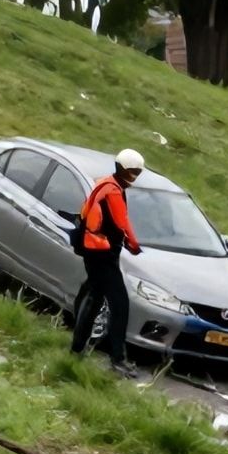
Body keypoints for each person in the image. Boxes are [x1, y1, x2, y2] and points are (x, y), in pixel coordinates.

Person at [69, 149, 145, 378]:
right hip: (102, 254)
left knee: (94, 298)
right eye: (133, 172)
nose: (134, 177)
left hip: (93, 251)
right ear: (122, 169)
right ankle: (118, 360)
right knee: (120, 304)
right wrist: (134, 244)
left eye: (137, 173)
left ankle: (77, 350)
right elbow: (122, 223)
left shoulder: (105, 183)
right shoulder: (113, 191)